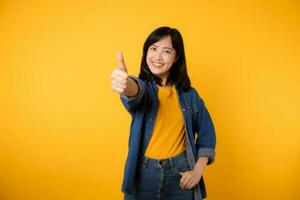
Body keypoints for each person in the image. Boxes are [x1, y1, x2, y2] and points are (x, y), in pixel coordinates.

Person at [110, 26, 216, 200]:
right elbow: (135, 92)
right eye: (153, 48)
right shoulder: (145, 88)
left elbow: (207, 134)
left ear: (176, 57)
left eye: (166, 51)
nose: (157, 57)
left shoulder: (190, 96)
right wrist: (125, 84)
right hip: (143, 176)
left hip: (181, 175)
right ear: (146, 52)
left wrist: (197, 171)